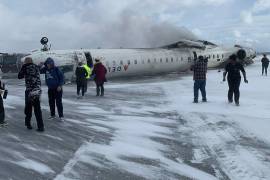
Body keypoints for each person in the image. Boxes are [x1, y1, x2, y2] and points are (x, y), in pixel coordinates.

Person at [18, 57, 44, 132]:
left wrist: (23, 67)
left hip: (29, 91)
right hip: (37, 90)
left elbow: (19, 76)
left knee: (28, 108)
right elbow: (40, 67)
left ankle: (28, 123)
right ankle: (41, 126)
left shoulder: (25, 67)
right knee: (37, 109)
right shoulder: (36, 67)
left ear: (26, 62)